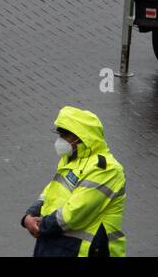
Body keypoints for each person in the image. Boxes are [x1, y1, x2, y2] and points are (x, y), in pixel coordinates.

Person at [21, 107, 126, 257]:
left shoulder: (106, 169)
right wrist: (30, 215)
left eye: (65, 135)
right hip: (56, 242)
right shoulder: (72, 159)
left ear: (82, 137)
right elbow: (52, 191)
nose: (60, 140)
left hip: (84, 249)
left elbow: (75, 212)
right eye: (60, 134)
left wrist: (39, 225)